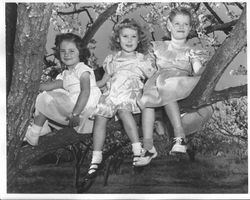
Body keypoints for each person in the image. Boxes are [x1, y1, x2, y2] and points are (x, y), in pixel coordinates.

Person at [135, 7, 211, 166]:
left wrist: (209, 66)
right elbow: (148, 68)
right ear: (169, 25)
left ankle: (180, 136)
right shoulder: (157, 46)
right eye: (177, 23)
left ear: (190, 28)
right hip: (159, 79)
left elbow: (198, 70)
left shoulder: (191, 50)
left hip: (180, 81)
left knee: (168, 86)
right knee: (147, 100)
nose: (181, 27)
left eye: (185, 24)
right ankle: (148, 146)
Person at [83, 18, 156, 180]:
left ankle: (137, 150)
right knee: (100, 118)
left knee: (124, 111)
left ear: (139, 39)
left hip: (130, 92)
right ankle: (96, 157)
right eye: (125, 36)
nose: (129, 40)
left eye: (133, 37)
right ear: (118, 38)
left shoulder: (141, 59)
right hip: (112, 94)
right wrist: (92, 85)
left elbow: (153, 79)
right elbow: (104, 80)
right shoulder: (112, 59)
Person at [24, 33, 102, 146]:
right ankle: (42, 128)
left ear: (80, 52)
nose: (67, 54)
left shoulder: (82, 69)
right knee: (49, 94)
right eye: (63, 51)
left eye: (71, 51)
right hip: (78, 106)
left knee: (44, 98)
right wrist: (33, 85)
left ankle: (35, 132)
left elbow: (85, 91)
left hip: (83, 105)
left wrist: (75, 114)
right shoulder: (65, 74)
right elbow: (51, 86)